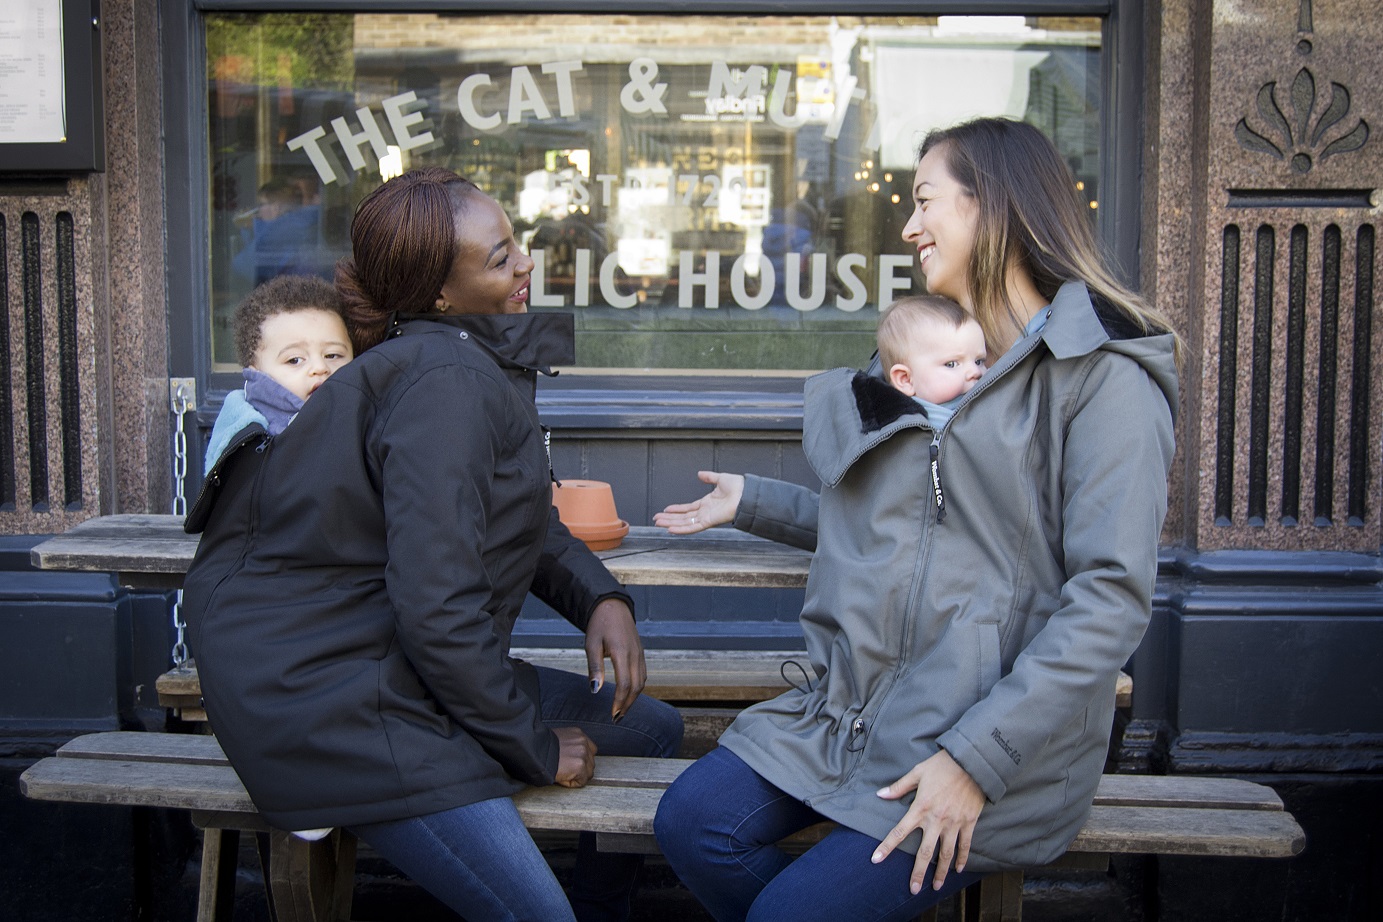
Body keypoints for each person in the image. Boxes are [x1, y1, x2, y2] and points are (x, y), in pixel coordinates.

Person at [651, 116, 1180, 922]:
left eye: (924, 200)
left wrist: (973, 762)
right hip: (863, 712)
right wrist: (751, 503)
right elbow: (892, 525)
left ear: (991, 205)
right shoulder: (921, 373)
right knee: (691, 824)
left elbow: (1108, 597)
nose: (906, 227)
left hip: (996, 745)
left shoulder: (1101, 377)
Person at [182, 167, 682, 922]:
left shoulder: (461, 361)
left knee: (648, 726)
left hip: (380, 665)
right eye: (498, 258)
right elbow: (435, 608)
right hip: (332, 704)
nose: (524, 265)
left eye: (514, 243)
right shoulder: (442, 381)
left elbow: (513, 516)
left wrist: (600, 598)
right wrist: (536, 749)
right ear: (440, 294)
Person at [200, 275, 353, 475]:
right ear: (257, 374)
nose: (320, 367)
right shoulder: (246, 443)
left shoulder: (366, 423)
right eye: (295, 360)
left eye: (333, 355)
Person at [876, 294, 987, 430]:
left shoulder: (984, 405)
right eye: (951, 364)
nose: (975, 372)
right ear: (906, 380)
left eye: (979, 361)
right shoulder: (899, 433)